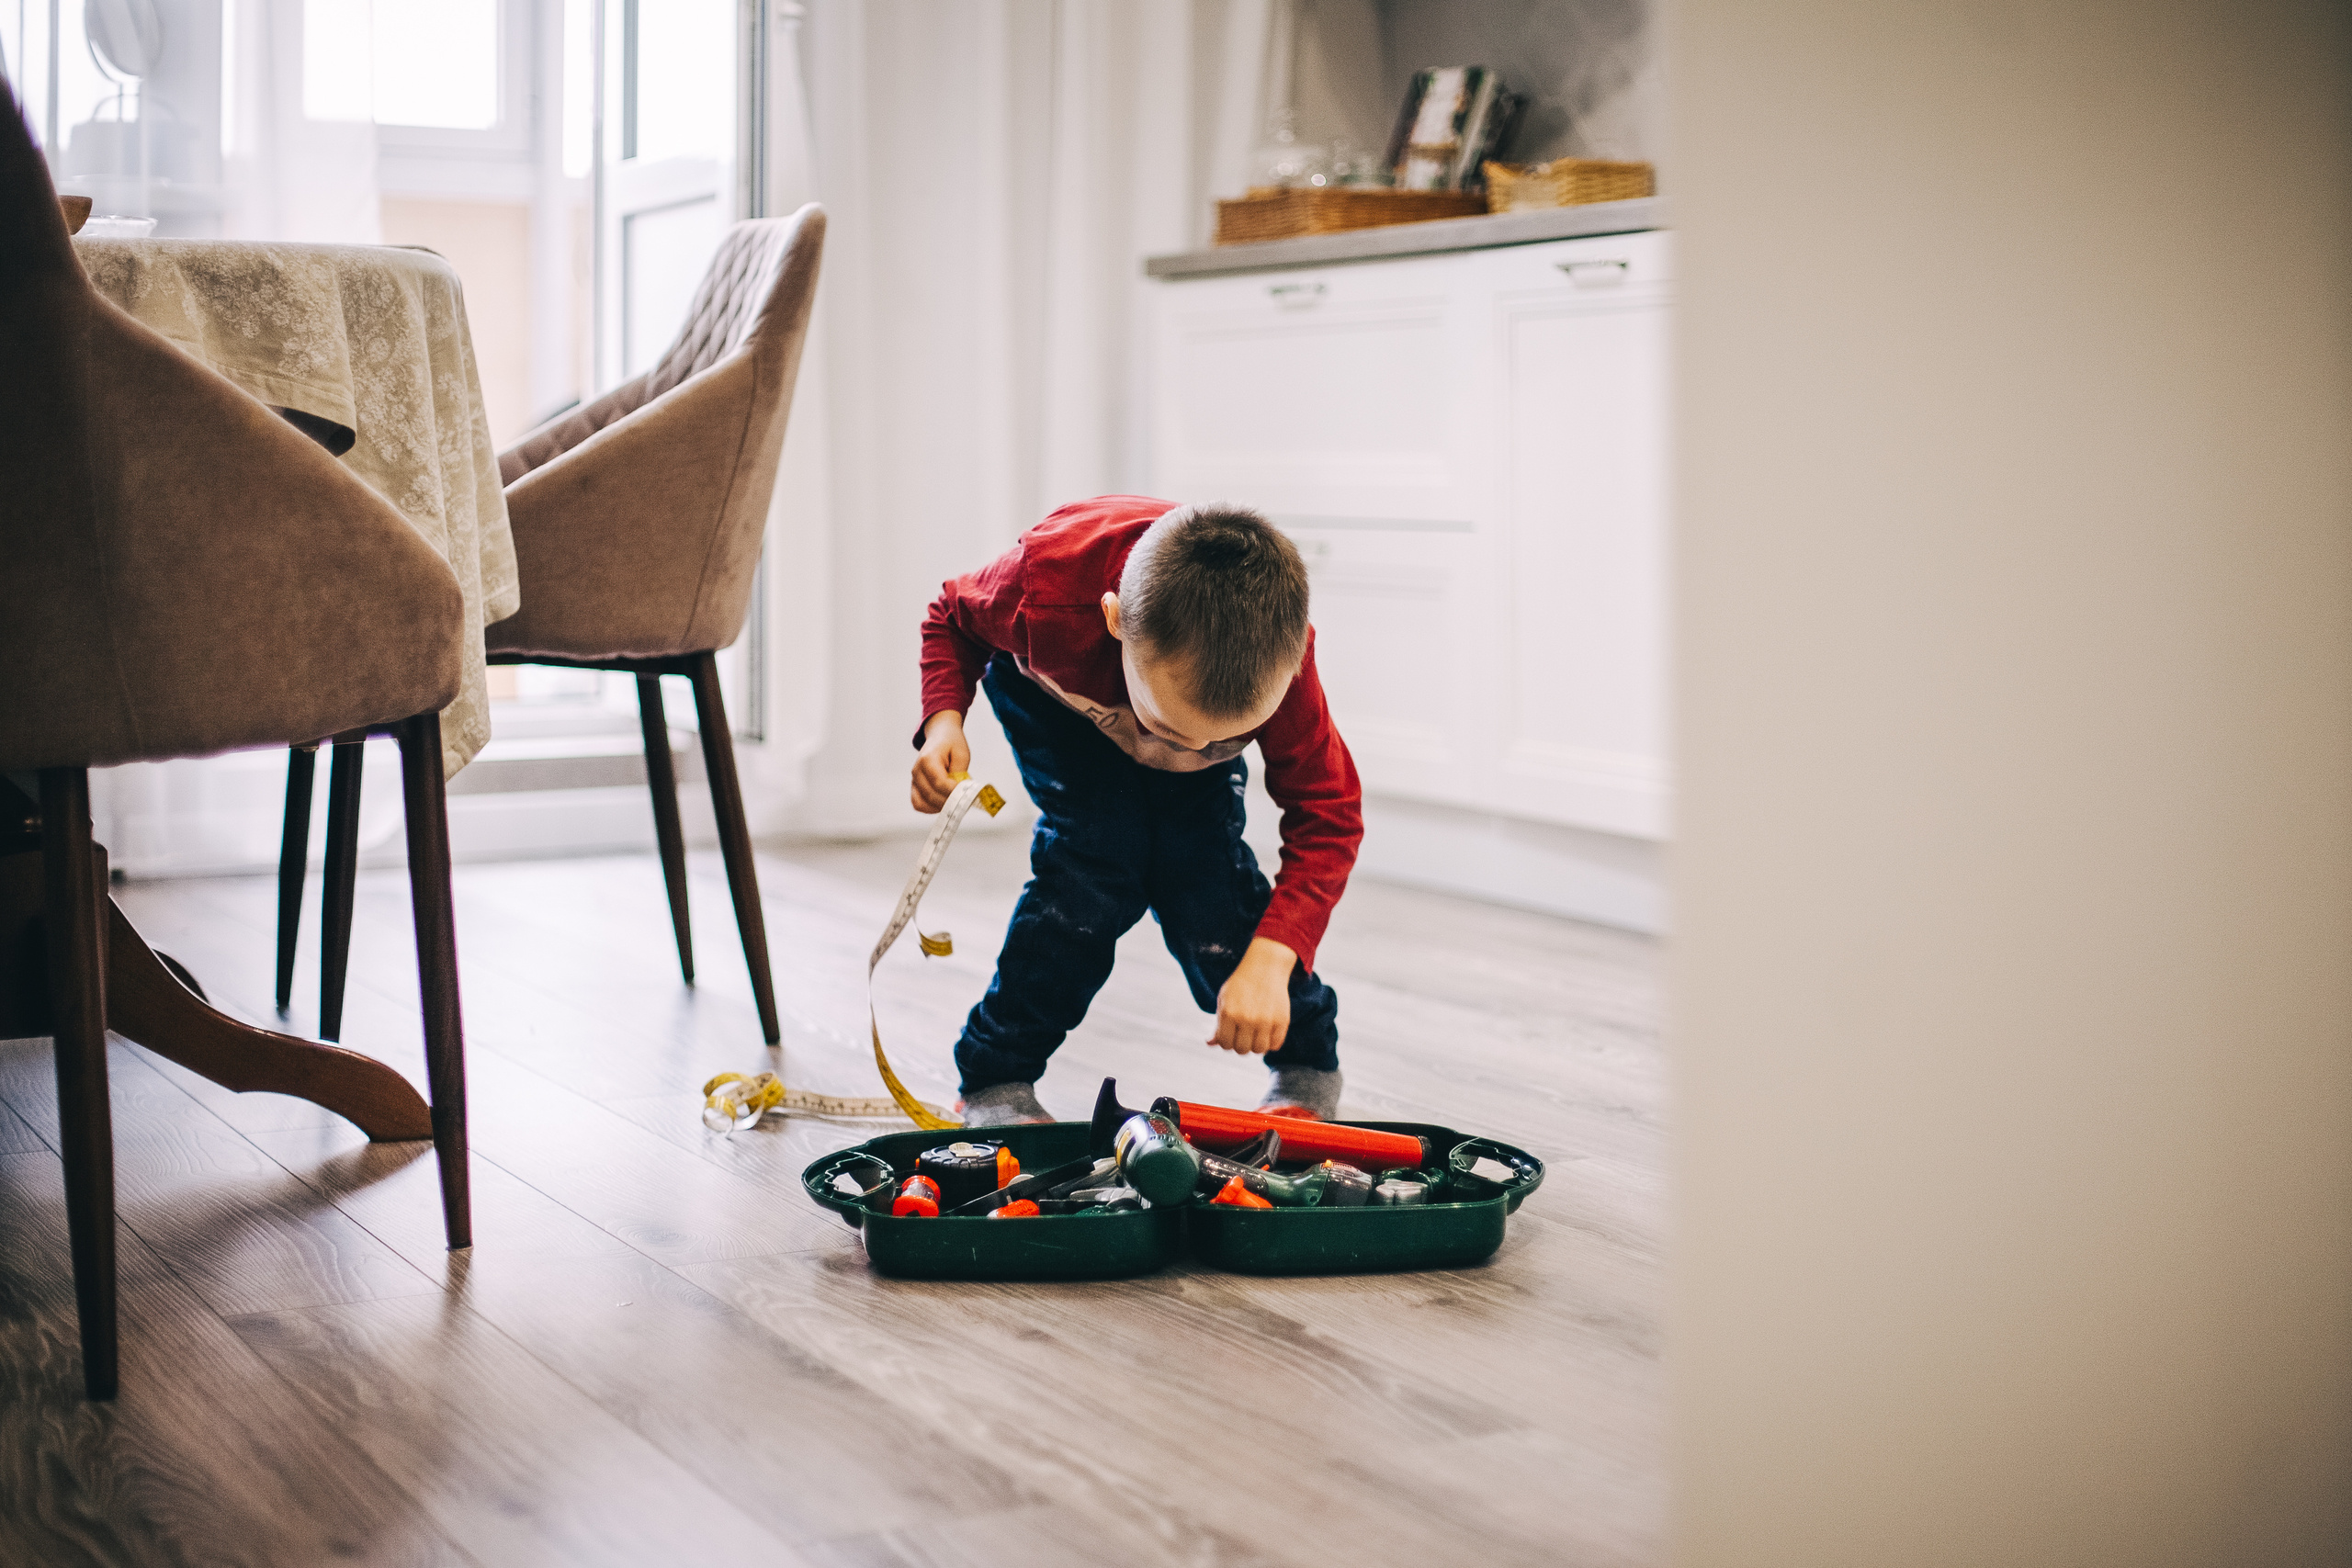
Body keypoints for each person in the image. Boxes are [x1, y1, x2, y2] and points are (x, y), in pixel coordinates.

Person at [913, 494, 1363, 1128]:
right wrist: (943, 721)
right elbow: (952, 615)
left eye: (1222, 742)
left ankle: (1307, 1063)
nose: (1183, 757)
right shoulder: (1043, 589)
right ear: (1115, 620)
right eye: (1168, 730)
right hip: (1057, 700)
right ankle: (996, 1077)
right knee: (1091, 866)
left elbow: (1330, 810)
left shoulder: (1279, 661)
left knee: (1203, 872)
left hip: (1145, 684)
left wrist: (1270, 956)